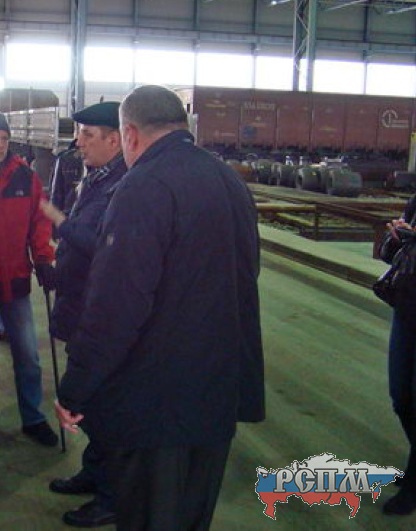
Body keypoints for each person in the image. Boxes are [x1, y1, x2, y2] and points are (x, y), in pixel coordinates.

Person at [55, 85, 265, 531]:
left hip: (156, 404)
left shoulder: (143, 185)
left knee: (150, 516)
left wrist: (76, 387)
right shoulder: (228, 179)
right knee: (191, 517)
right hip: (216, 393)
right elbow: (248, 275)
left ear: (129, 134)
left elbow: (116, 305)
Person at [41, 101, 126, 528]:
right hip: (79, 303)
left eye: (88, 135)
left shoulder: (122, 186)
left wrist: (55, 218)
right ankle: (94, 473)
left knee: (103, 404)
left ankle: (112, 496)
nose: (79, 143)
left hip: (98, 311)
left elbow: (98, 242)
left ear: (116, 139)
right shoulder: (97, 177)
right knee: (92, 402)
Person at [0, 110, 58, 449]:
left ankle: (33, 417)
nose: (0, 144)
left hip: (15, 279)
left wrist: (43, 257)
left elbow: (40, 220)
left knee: (28, 355)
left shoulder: (25, 177)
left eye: (4, 138)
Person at [380, 195, 416, 515]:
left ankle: (415, 483)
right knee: (401, 397)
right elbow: (389, 256)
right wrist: (396, 238)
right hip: (407, 308)